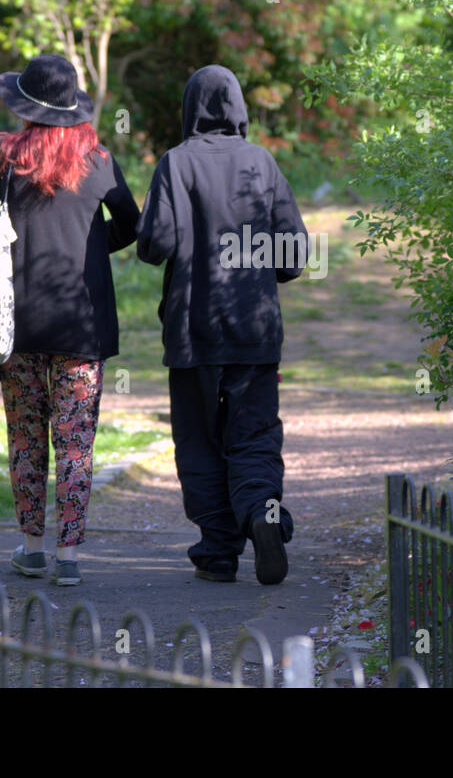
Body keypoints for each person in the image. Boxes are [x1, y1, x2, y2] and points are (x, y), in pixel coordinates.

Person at [136, 64, 307, 585]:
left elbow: (154, 245)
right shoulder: (262, 163)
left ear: (191, 108)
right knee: (254, 433)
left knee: (198, 438)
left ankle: (217, 549)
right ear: (238, 108)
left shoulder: (175, 164)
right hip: (254, 329)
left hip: (193, 331)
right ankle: (260, 512)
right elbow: (293, 256)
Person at [0, 53, 139, 586]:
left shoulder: (4, 161)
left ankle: (31, 548)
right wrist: (94, 245)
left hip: (20, 325)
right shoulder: (99, 162)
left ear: (26, 108)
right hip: (81, 323)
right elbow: (134, 226)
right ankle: (69, 558)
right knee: (76, 443)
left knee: (26, 438)